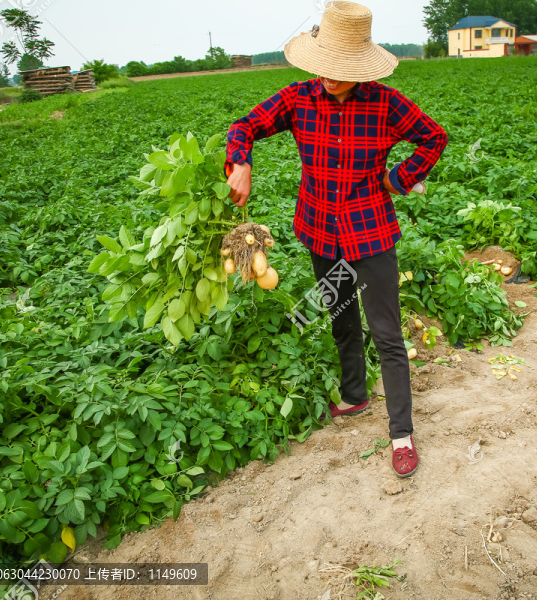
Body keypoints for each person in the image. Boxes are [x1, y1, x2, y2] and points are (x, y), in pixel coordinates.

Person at [224, 1, 447, 477]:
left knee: (387, 335)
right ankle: (354, 395)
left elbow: (434, 137)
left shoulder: (387, 105)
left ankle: (401, 433)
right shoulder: (298, 98)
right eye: (324, 66)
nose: (328, 77)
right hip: (320, 230)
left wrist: (398, 179)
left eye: (339, 70)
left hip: (371, 233)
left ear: (361, 68)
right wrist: (240, 161)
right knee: (341, 318)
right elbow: (244, 125)